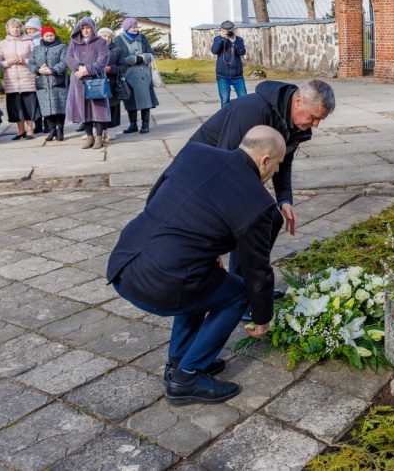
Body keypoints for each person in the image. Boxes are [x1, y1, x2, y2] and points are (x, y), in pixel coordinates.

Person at [106, 126, 286, 405]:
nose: (275, 173)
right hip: (160, 284)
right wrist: (262, 317)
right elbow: (257, 270)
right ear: (265, 160)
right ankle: (187, 378)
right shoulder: (258, 202)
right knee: (238, 294)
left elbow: (155, 198)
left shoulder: (196, 153)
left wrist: (202, 252)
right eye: (277, 166)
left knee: (202, 280)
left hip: (124, 263)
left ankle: (178, 362)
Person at [189, 79, 335, 255]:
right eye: (314, 117)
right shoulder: (252, 111)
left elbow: (282, 161)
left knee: (271, 218)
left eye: (320, 120)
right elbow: (225, 162)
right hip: (202, 173)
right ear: (298, 101)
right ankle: (244, 276)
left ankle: (246, 275)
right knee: (255, 218)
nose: (316, 124)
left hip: (236, 173)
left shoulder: (295, 123)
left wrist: (284, 199)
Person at [65, 16, 111, 149]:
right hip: (78, 81)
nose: (85, 31)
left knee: (98, 110)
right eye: (83, 28)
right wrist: (78, 67)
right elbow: (68, 57)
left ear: (92, 29)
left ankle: (99, 137)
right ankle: (89, 136)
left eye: (88, 28)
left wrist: (87, 69)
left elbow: (103, 60)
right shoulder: (74, 42)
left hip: (95, 80)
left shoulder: (100, 42)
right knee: (83, 110)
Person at [0, 18, 39, 140]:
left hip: (27, 78)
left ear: (21, 28)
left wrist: (24, 60)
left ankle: (30, 130)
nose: (15, 29)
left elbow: (37, 59)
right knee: (16, 107)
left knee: (29, 106)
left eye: (18, 27)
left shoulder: (29, 41)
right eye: (13, 27)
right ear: (8, 29)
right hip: (11, 81)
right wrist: (8, 62)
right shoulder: (2, 43)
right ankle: (20, 131)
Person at [115, 17, 158, 134]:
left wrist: (145, 57)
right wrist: (133, 59)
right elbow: (118, 57)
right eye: (133, 27)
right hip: (129, 76)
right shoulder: (119, 39)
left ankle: (145, 125)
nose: (136, 29)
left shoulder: (142, 37)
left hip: (144, 75)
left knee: (146, 101)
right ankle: (133, 125)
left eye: (136, 27)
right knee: (130, 100)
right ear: (127, 28)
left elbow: (151, 53)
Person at [29, 26, 69, 141]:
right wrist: (38, 69)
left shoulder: (62, 47)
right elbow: (31, 63)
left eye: (51, 35)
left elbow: (65, 62)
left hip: (57, 81)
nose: (49, 37)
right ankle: (52, 130)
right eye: (47, 35)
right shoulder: (36, 49)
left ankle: (60, 130)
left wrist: (52, 70)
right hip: (43, 83)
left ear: (55, 35)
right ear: (43, 36)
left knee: (60, 107)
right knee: (46, 108)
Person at [211, 20, 247, 108]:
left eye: (229, 31)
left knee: (244, 98)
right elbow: (214, 51)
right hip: (223, 76)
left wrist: (234, 42)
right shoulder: (217, 39)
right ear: (221, 30)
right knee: (224, 99)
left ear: (233, 30)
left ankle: (243, 117)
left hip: (237, 76)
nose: (227, 33)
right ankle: (225, 119)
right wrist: (221, 39)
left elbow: (242, 52)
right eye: (224, 30)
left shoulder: (239, 40)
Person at [98, 27, 124, 142]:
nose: (107, 39)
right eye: (104, 36)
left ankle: (111, 129)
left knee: (113, 106)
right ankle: (97, 130)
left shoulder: (117, 50)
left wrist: (111, 69)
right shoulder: (94, 49)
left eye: (109, 37)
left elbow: (123, 66)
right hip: (97, 82)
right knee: (97, 106)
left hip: (112, 82)